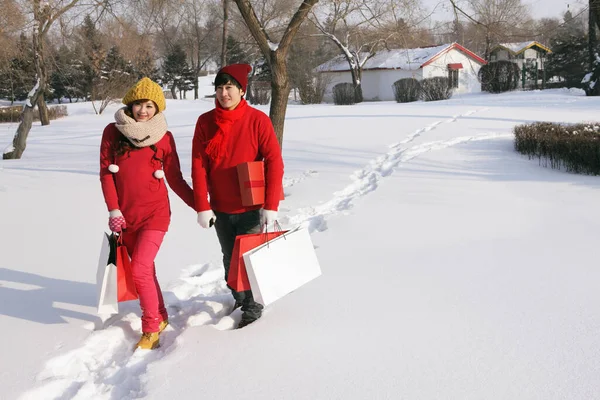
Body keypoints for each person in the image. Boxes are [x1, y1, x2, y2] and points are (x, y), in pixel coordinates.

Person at [99, 77, 195, 349]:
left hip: (156, 214)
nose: (143, 110)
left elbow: (175, 179)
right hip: (126, 217)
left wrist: (200, 205)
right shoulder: (113, 132)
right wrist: (114, 209)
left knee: (140, 268)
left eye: (150, 105)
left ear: (158, 108)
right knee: (145, 269)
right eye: (139, 104)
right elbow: (106, 174)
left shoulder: (164, 137)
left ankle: (151, 327)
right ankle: (161, 315)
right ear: (130, 105)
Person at [192, 64, 284, 329]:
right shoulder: (205, 122)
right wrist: (202, 205)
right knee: (229, 257)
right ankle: (240, 298)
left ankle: (253, 309)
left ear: (242, 90)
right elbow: (198, 165)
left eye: (229, 87)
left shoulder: (257, 120)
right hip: (221, 206)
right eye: (219, 88)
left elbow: (274, 161)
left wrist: (271, 204)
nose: (224, 93)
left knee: (250, 259)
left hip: (252, 205)